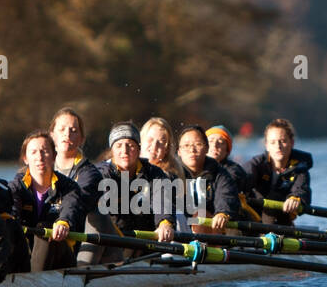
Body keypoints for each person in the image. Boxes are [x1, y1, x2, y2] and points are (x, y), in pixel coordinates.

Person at [8, 131, 85, 271]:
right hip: (27, 254)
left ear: (54, 156)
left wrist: (63, 223)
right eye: (34, 152)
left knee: (45, 227)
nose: (40, 157)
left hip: (61, 254)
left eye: (45, 151)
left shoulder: (69, 187)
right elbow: (12, 211)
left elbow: (70, 209)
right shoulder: (15, 187)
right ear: (26, 158)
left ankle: (33, 283)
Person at [95, 123, 176, 254]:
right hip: (111, 240)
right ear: (112, 151)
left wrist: (165, 223)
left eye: (130, 145)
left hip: (144, 241)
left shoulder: (154, 173)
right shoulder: (100, 173)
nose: (125, 151)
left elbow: (162, 201)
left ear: (139, 149)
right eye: (119, 145)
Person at [245, 117, 312, 226]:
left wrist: (296, 197)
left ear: (292, 143)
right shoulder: (256, 164)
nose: (278, 146)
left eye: (283, 141)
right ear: (266, 146)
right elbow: (242, 176)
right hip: (252, 217)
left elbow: (302, 189)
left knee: (275, 200)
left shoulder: (300, 168)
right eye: (273, 142)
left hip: (281, 219)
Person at [175, 125, 239, 232]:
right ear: (179, 151)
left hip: (209, 228)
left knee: (201, 215)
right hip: (178, 228)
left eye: (198, 144)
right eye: (186, 145)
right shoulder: (170, 173)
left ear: (206, 148)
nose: (192, 150)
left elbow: (226, 195)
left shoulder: (219, 173)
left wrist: (222, 213)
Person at [49, 107, 102, 213]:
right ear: (52, 135)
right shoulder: (38, 166)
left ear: (82, 139)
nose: (67, 134)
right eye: (61, 129)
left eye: (73, 131)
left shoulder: (90, 173)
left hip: (73, 226)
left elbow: (77, 203)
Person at [205, 124, 260, 221]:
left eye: (220, 142)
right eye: (210, 141)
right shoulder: (195, 167)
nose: (214, 145)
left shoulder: (234, 171)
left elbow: (225, 192)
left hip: (232, 216)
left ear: (227, 150)